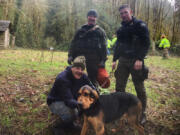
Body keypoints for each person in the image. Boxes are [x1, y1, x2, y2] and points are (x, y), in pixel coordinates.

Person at [112, 4, 150, 124]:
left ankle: (142, 113)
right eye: (121, 13)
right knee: (119, 87)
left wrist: (140, 59)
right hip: (122, 60)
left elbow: (146, 43)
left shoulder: (140, 25)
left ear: (131, 12)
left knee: (139, 88)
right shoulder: (121, 29)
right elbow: (118, 45)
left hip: (136, 60)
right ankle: (121, 110)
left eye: (125, 12)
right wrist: (114, 59)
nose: (123, 15)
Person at [47, 56, 96, 135]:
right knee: (73, 113)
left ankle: (70, 124)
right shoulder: (63, 78)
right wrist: (83, 104)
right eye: (77, 68)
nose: (79, 71)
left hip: (72, 98)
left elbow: (91, 87)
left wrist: (96, 95)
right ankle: (58, 127)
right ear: (72, 67)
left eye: (82, 69)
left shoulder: (83, 76)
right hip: (56, 101)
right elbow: (69, 101)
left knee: (80, 108)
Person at [68, 9, 107, 89]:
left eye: (94, 16)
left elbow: (104, 47)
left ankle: (94, 95)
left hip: (94, 59)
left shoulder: (100, 31)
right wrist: (70, 55)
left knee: (92, 79)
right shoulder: (80, 30)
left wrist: (103, 60)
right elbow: (73, 43)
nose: (92, 18)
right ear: (87, 17)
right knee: (75, 75)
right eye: (90, 16)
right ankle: (76, 92)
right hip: (80, 57)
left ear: (96, 18)